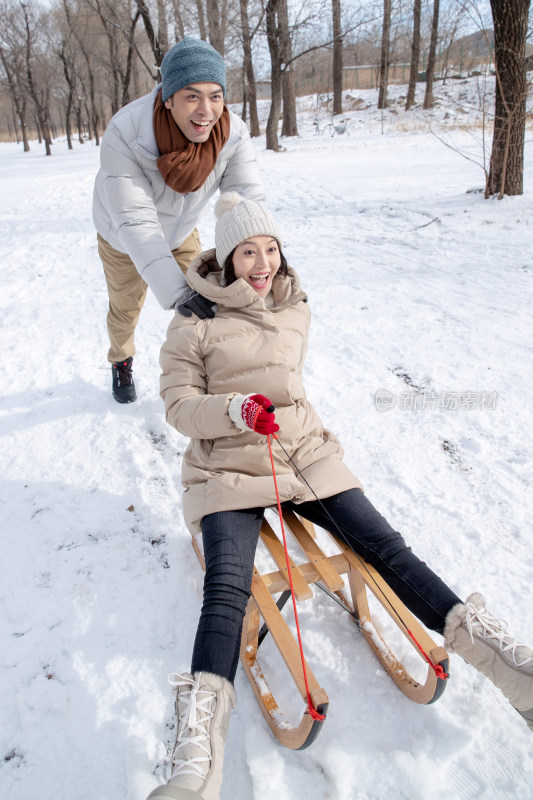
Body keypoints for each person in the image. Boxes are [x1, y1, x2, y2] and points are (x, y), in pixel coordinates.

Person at [151, 193, 533, 800]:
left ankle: (503, 663)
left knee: (385, 545)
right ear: (225, 259)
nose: (262, 262)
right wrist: (232, 408)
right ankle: (199, 757)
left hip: (302, 454)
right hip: (227, 462)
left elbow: (291, 388)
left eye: (270, 248)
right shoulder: (193, 320)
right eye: (248, 251)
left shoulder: (294, 304)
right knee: (226, 586)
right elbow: (176, 406)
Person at [93, 37, 264, 404]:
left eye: (215, 95)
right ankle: (121, 359)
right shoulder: (126, 133)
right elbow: (135, 220)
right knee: (126, 307)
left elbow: (245, 203)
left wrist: (263, 263)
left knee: (210, 299)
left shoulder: (231, 135)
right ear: (168, 98)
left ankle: (208, 371)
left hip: (182, 231)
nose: (206, 110)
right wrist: (176, 291)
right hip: (122, 237)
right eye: (192, 96)